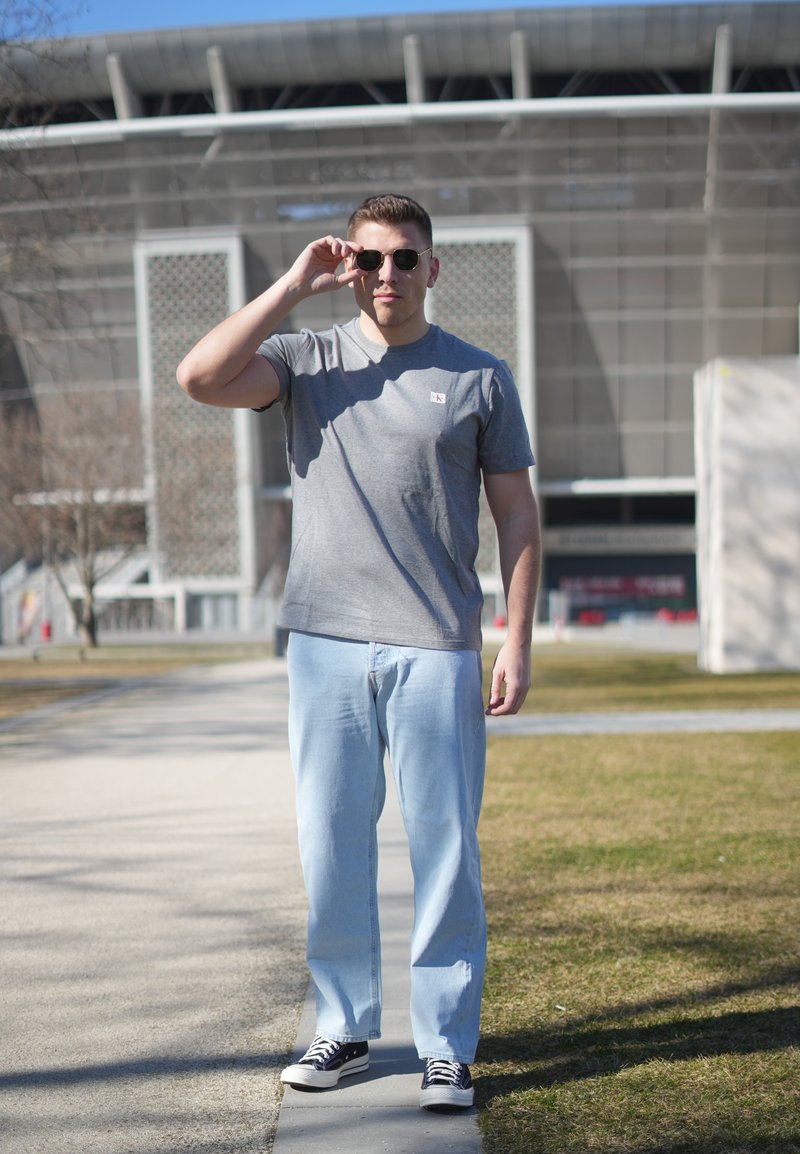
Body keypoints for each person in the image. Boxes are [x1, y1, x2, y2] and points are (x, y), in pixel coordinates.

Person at [177, 193, 541, 1112]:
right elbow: (200, 377)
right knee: (332, 846)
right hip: (325, 645)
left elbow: (517, 516)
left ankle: (446, 1048)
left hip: (438, 646)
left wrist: (517, 639)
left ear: (432, 268)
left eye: (405, 258)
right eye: (370, 259)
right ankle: (342, 1026)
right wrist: (294, 284)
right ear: (350, 267)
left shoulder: (480, 377)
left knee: (447, 851)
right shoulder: (307, 360)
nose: (387, 275)